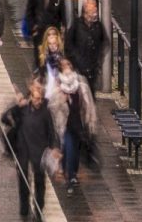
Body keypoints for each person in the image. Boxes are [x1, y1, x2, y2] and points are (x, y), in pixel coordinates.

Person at [0, 77, 58, 220]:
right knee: (23, 180)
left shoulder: (45, 112)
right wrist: (17, 107)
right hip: (23, 149)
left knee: (39, 183)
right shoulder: (23, 108)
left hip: (39, 151)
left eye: (40, 99)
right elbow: (4, 118)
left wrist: (54, 148)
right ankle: (24, 210)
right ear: (31, 96)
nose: (37, 102)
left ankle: (38, 211)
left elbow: (51, 131)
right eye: (35, 98)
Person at [48, 57, 96, 186]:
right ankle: (71, 176)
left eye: (68, 65)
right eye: (64, 66)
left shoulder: (81, 82)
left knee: (76, 148)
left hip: (79, 121)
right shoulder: (58, 85)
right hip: (65, 123)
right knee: (69, 146)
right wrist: (61, 99)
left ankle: (70, 170)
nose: (67, 68)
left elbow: (88, 103)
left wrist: (90, 120)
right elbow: (52, 106)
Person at [65, 0, 106, 94]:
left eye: (95, 6)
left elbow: (103, 42)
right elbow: (68, 44)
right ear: (86, 9)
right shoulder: (77, 25)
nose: (95, 9)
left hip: (92, 69)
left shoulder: (98, 26)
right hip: (78, 68)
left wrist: (98, 58)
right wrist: (75, 59)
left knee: (90, 95)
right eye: (92, 6)